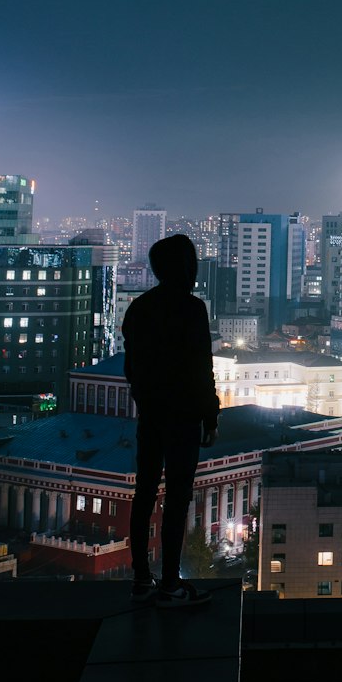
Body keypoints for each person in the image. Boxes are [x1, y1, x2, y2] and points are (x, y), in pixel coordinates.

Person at [123, 233, 220, 606]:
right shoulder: (191, 309)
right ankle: (170, 582)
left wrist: (145, 398)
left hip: (150, 413)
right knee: (177, 497)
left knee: (144, 491)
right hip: (182, 415)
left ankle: (140, 578)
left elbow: (132, 367)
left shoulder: (139, 308)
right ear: (186, 268)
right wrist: (209, 417)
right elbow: (201, 368)